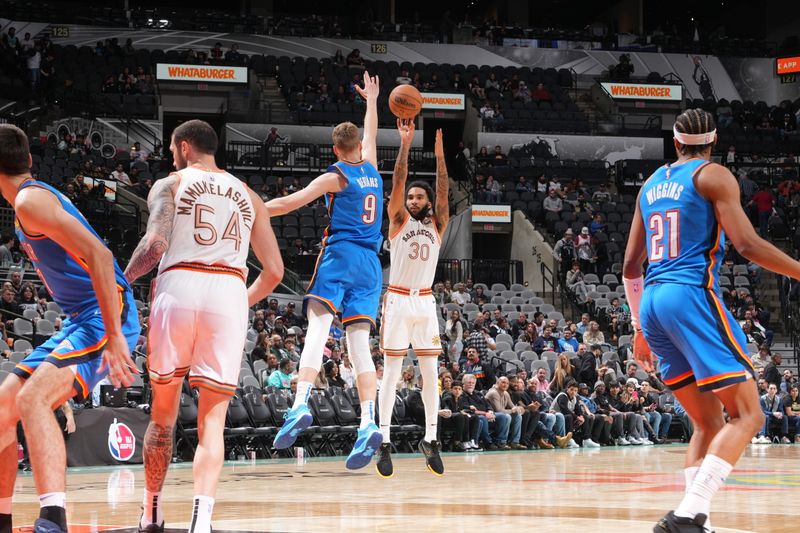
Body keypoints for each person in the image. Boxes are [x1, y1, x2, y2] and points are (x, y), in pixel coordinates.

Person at [624, 108, 800, 533]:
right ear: (713, 140)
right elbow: (746, 244)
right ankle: (687, 513)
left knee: (708, 422)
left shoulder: (649, 186)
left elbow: (631, 266)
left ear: (676, 140)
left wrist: (639, 327)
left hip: (652, 304)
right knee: (750, 416)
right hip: (690, 295)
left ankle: (695, 518)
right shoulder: (714, 175)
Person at [125, 120, 283, 533]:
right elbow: (274, 271)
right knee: (213, 420)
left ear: (183, 147)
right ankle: (202, 522)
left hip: (179, 282)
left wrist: (120, 283)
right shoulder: (250, 195)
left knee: (163, 415)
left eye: (173, 149)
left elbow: (155, 244)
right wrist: (237, 303)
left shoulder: (171, 182)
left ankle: (152, 512)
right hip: (228, 291)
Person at [0, 124, 140, 533]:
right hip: (83, 317)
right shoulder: (32, 198)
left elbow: (100, 253)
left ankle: (53, 519)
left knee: (32, 401)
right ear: (28, 160)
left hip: (105, 312)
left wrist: (115, 336)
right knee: (5, 407)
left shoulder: (29, 202)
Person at [265, 73, 384, 470]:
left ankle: (299, 404)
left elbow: (287, 204)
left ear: (335, 147)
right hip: (371, 264)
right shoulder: (372, 166)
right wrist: (372, 100)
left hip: (342, 254)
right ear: (358, 147)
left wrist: (247, 206)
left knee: (317, 328)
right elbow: (371, 133)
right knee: (360, 346)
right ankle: (369, 421)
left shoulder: (335, 176)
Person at [376, 124, 450, 478]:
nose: (415, 200)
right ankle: (384, 441)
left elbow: (444, 191)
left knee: (431, 373)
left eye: (420, 197)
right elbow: (398, 182)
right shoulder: (398, 220)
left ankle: (431, 439)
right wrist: (404, 145)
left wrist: (439, 157)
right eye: (412, 197)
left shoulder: (438, 223)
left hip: (425, 304)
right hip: (398, 300)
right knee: (391, 374)